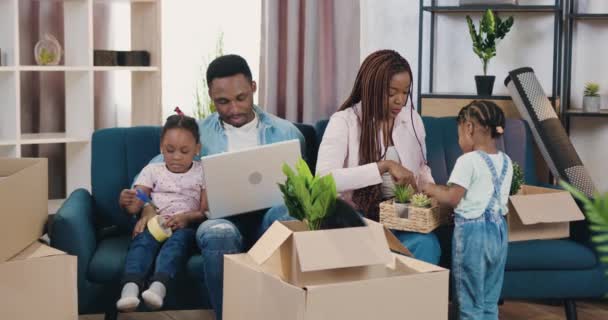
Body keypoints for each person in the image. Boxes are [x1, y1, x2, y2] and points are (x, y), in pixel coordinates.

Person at [120, 54, 305, 319]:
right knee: (216, 232)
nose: (233, 109)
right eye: (223, 101)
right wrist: (147, 208)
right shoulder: (198, 136)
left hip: (270, 218)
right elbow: (149, 176)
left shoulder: (286, 133)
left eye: (241, 98)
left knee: (287, 216)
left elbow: (302, 189)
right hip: (220, 219)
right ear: (210, 96)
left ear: (253, 88)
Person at [315, 49, 441, 264]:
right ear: (371, 89)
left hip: (399, 215)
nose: (400, 101)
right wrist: (383, 166)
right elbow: (324, 180)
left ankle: (413, 297)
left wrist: (432, 194)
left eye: (405, 92)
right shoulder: (344, 121)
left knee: (426, 244)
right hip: (357, 218)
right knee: (362, 245)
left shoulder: (412, 121)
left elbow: (421, 170)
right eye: (391, 93)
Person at [423, 100, 513, 320]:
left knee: (469, 298)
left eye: (459, 134)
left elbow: (452, 197)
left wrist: (428, 187)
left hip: (473, 235)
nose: (459, 140)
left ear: (469, 128)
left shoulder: (468, 160)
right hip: (499, 231)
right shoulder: (506, 161)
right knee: (490, 298)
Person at [117, 111, 207, 312]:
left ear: (197, 149)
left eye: (184, 151)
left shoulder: (203, 171)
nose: (176, 157)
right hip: (155, 223)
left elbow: (205, 211)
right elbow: (139, 197)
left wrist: (187, 217)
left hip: (185, 227)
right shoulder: (153, 170)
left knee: (174, 248)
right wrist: (128, 200)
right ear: (161, 147)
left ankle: (158, 288)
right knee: (141, 245)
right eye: (169, 150)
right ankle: (130, 289)